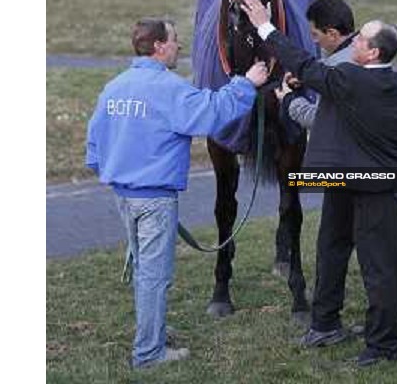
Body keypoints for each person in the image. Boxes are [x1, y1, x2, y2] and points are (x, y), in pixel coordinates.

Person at [241, 0, 397, 367]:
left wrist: (264, 25)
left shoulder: (348, 78)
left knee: (378, 266)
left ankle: (382, 346)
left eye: (361, 41)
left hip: (373, 187)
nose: (354, 44)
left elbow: (302, 62)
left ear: (372, 54)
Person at [85, 18, 269, 370]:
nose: (179, 46)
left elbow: (94, 146)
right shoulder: (168, 89)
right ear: (158, 46)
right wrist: (246, 84)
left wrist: (119, 176)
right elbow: (212, 114)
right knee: (155, 275)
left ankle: (151, 333)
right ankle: (149, 353)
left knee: (145, 270)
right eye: (174, 41)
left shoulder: (114, 87)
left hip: (125, 195)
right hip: (155, 199)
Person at [274, 0, 359, 348]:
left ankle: (324, 324)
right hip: (380, 173)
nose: (313, 41)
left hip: (345, 171)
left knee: (332, 244)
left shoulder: (340, 66)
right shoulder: (358, 55)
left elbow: (317, 120)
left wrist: (288, 100)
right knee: (382, 253)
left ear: (333, 33)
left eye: (316, 35)